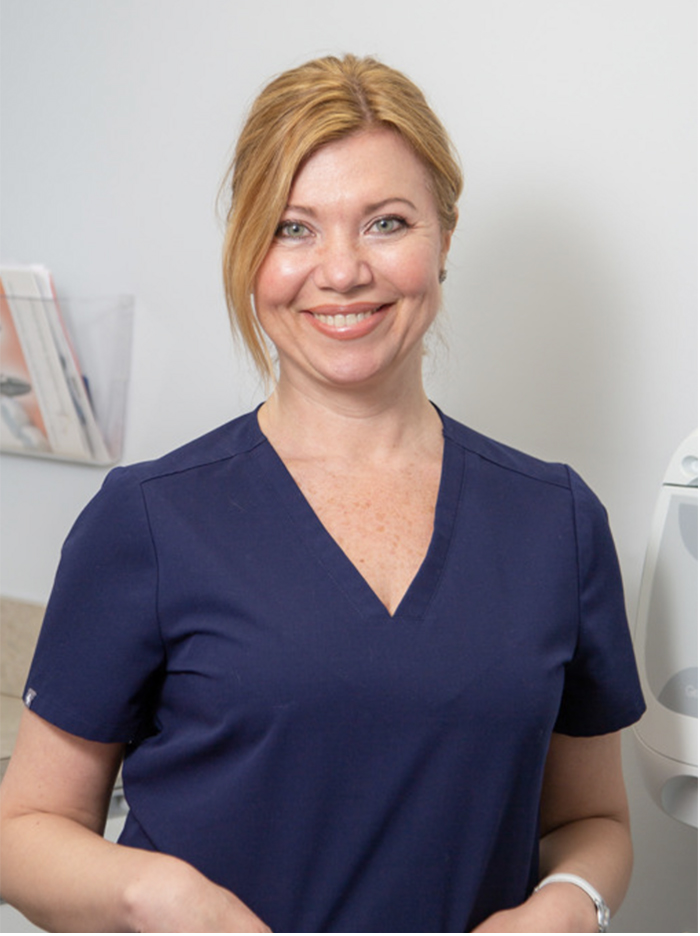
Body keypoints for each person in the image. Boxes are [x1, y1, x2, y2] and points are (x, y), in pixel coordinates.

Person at [0, 54, 645, 933]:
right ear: (249, 252)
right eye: (293, 228)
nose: (340, 272)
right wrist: (161, 897)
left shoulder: (557, 524)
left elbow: (592, 822)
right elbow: (23, 830)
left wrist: (572, 905)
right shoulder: (148, 520)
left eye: (385, 222)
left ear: (444, 238)